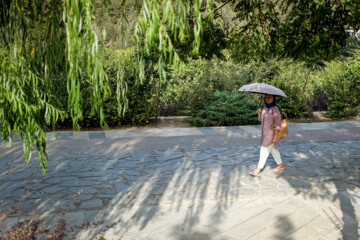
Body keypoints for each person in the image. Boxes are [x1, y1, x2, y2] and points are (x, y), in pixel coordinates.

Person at [250, 94, 285, 176]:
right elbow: (261, 120)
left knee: (264, 150)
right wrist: (259, 114)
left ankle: (258, 170)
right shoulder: (265, 108)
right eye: (266, 97)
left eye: (270, 97)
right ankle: (281, 165)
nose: (267, 99)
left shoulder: (275, 108)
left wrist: (276, 134)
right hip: (264, 134)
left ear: (273, 98)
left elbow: (278, 122)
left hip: (271, 134)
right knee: (273, 150)